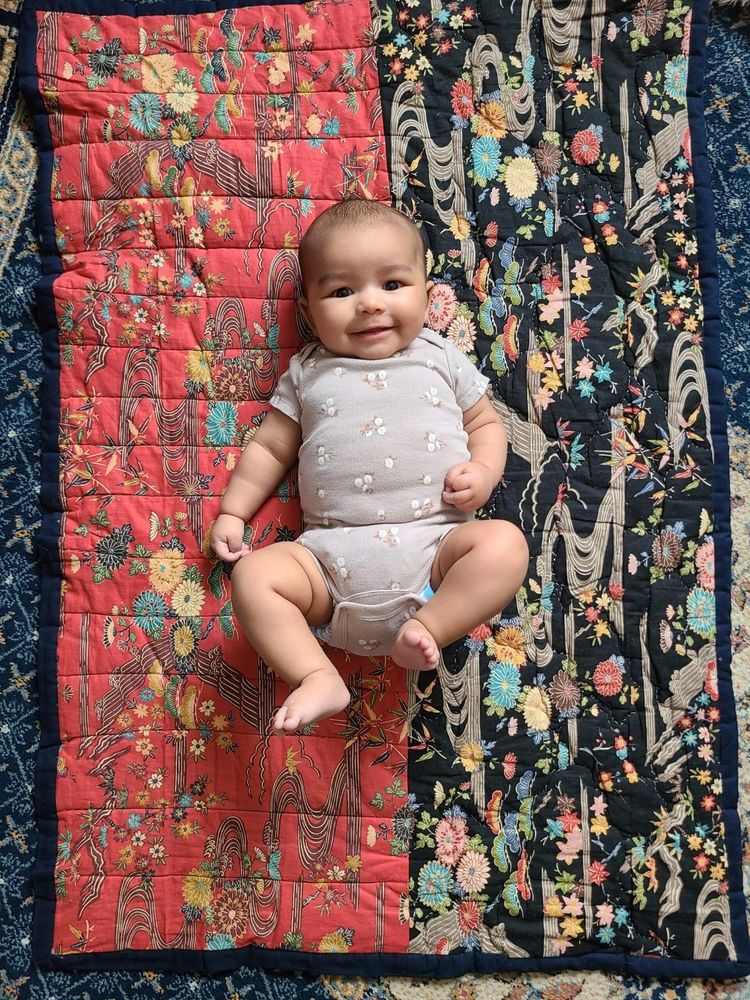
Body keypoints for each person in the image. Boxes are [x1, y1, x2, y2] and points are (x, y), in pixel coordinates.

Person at [210, 200, 529, 733]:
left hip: (433, 557)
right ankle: (315, 674)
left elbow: (487, 425)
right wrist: (233, 511)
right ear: (309, 313)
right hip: (327, 568)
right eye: (341, 291)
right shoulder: (307, 372)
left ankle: (428, 628)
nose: (368, 305)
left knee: (504, 546)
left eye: (392, 285)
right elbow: (269, 448)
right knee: (253, 577)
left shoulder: (441, 357)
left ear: (428, 299)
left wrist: (484, 472)